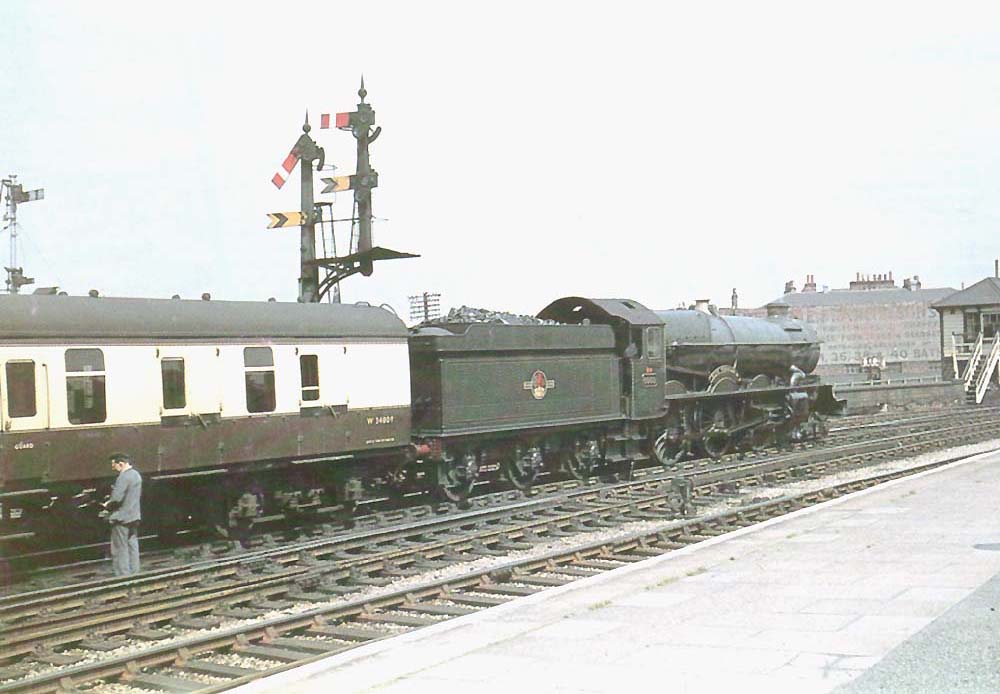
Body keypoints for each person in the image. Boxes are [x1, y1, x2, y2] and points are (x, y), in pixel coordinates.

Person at [105, 452, 142, 576]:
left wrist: (106, 506)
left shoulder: (123, 477)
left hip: (121, 518)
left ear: (120, 463)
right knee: (132, 545)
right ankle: (134, 572)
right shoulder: (136, 475)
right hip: (134, 516)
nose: (113, 468)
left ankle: (122, 575)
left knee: (119, 547)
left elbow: (116, 499)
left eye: (114, 465)